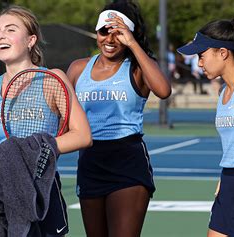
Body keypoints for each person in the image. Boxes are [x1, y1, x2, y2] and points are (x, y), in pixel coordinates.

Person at [0, 5, 92, 237]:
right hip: (0, 188)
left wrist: (36, 149)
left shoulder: (53, 78)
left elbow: (83, 135)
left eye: (10, 29)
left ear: (30, 40)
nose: (1, 36)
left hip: (41, 188)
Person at [66, 1, 171, 236]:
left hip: (128, 162)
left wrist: (132, 44)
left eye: (119, 34)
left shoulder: (137, 68)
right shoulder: (77, 68)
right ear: (97, 32)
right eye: (104, 32)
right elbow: (64, 117)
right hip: (90, 162)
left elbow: (163, 90)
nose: (110, 40)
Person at [177, 18, 234, 237]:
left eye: (201, 55)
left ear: (223, 53)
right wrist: (226, 177)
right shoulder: (223, 92)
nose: (199, 63)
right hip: (229, 184)